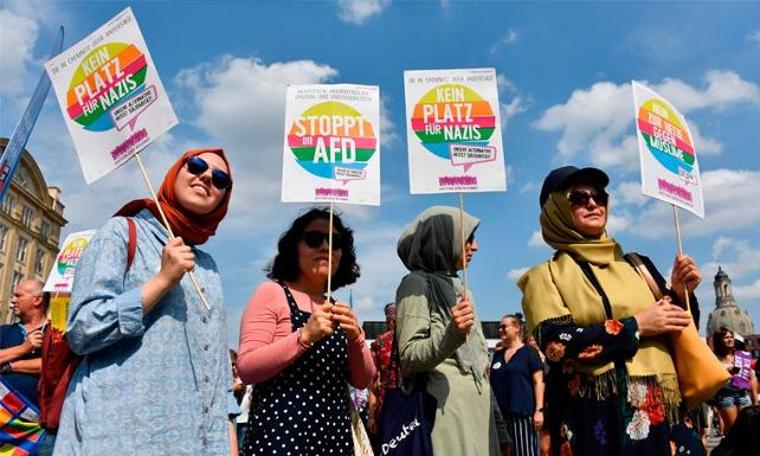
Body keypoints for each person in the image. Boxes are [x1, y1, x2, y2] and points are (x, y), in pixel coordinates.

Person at [54, 149, 238, 455]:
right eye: (196, 166)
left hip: (191, 440)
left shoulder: (208, 266)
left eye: (221, 180)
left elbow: (215, 364)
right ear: (175, 172)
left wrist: (226, 439)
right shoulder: (121, 232)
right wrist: (162, 281)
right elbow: (82, 330)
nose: (206, 177)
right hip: (118, 436)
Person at [518, 166, 703, 455]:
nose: (593, 203)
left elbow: (679, 326)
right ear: (556, 210)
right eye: (577, 198)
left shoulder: (637, 264)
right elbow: (555, 344)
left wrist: (682, 293)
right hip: (596, 420)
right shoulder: (544, 276)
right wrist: (636, 326)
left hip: (663, 415)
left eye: (599, 196)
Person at [237, 208, 375, 456]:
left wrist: (356, 338)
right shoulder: (272, 293)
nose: (325, 247)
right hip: (281, 435)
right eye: (314, 239)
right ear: (295, 248)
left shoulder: (337, 308)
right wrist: (303, 337)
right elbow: (246, 367)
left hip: (334, 436)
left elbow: (363, 380)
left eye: (336, 242)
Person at [395, 205, 504, 455]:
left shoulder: (463, 290)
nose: (474, 247)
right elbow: (410, 356)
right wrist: (451, 335)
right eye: (467, 238)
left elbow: (480, 369)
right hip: (445, 418)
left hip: (479, 417)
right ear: (443, 239)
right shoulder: (416, 284)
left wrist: (499, 428)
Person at [0, 279, 50, 454]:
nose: (13, 300)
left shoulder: (56, 333)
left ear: (37, 300)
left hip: (34, 430)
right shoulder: (4, 331)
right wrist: (24, 348)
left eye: (18, 295)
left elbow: (52, 365)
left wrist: (10, 366)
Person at [490, 313, 544, 456]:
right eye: (498, 327)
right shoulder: (497, 355)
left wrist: (539, 410)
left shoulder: (529, 352)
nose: (500, 330)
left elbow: (538, 382)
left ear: (516, 328)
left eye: (504, 327)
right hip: (500, 416)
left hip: (522, 414)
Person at [711, 327, 756, 434]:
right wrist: (727, 371)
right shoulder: (714, 358)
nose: (730, 339)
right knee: (734, 431)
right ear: (719, 340)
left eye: (731, 337)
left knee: (749, 429)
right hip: (726, 396)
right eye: (726, 337)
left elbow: (751, 378)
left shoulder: (741, 355)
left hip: (743, 394)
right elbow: (711, 377)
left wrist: (755, 401)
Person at [367, 302, 399, 449]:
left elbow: (372, 383)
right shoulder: (410, 341)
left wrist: (371, 416)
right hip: (408, 401)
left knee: (385, 447)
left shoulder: (378, 343)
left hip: (384, 404)